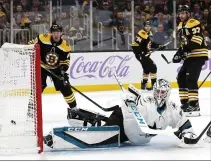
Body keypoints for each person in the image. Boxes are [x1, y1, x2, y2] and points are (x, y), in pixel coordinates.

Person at [44, 79, 202, 148]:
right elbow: (134, 105)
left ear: (168, 93)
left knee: (109, 135)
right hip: (123, 121)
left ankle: (88, 118)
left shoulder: (173, 109)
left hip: (132, 136)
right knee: (101, 138)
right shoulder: (146, 101)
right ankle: (57, 137)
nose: (160, 95)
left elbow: (183, 123)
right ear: (154, 91)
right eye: (158, 92)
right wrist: (130, 100)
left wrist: (188, 135)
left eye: (163, 92)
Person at [27, 22, 87, 120]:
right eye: (54, 32)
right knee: (38, 87)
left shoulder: (65, 46)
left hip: (56, 69)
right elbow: (29, 46)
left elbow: (66, 61)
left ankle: (74, 108)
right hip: (41, 67)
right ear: (51, 33)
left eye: (58, 32)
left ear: (61, 33)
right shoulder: (42, 38)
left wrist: (63, 70)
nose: (56, 34)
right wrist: (30, 51)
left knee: (65, 86)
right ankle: (31, 109)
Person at [172, 5, 208, 117]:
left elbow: (197, 40)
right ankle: (185, 103)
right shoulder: (180, 25)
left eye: (183, 13)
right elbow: (184, 43)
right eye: (180, 13)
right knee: (181, 77)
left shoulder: (194, 23)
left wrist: (185, 51)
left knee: (191, 78)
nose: (181, 15)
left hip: (198, 55)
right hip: (190, 56)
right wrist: (179, 53)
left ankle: (194, 104)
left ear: (188, 14)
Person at [132, 20, 165, 90]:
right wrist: (139, 54)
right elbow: (134, 45)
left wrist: (159, 46)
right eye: (146, 26)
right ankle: (154, 85)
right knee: (153, 68)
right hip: (142, 55)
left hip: (145, 55)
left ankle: (143, 85)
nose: (148, 27)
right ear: (144, 26)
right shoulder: (142, 33)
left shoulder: (149, 32)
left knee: (146, 69)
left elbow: (150, 43)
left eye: (149, 26)